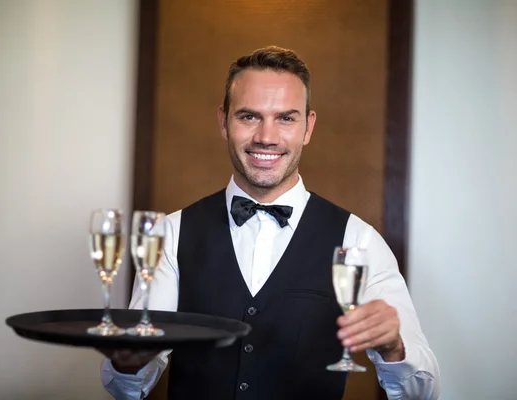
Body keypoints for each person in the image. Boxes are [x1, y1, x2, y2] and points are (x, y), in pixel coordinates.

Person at [99, 46, 440, 399]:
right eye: (249, 116)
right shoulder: (170, 234)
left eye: (286, 118)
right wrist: (129, 363)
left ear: (308, 127)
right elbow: (126, 389)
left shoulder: (361, 241)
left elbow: (422, 392)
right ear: (223, 121)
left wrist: (393, 349)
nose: (266, 136)